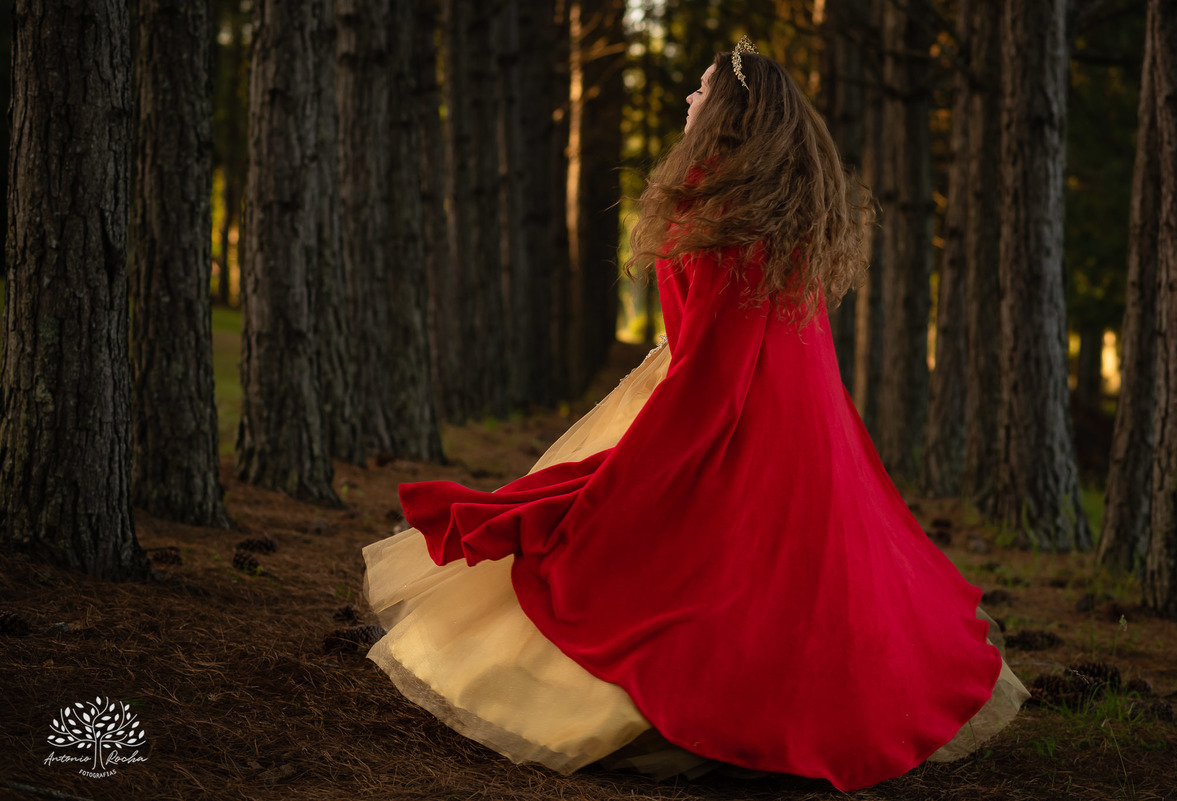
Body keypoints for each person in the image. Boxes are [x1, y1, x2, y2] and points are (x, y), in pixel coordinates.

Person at [361, 36, 1029, 793]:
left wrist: (640, 470)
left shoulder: (726, 213)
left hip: (740, 414)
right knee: (754, 579)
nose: (689, 98)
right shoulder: (772, 207)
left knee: (666, 562)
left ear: (728, 111)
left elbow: (715, 368)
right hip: (801, 422)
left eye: (703, 88)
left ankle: (711, 718)